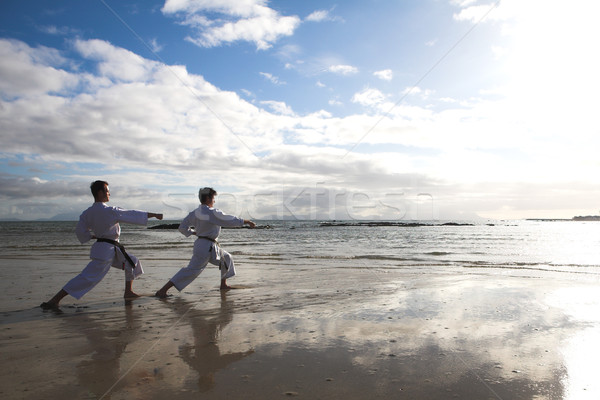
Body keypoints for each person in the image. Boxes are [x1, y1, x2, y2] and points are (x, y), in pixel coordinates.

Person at [40, 180, 163, 309]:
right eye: (107, 190)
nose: (109, 193)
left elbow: (80, 231)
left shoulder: (87, 213)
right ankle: (55, 300)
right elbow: (132, 214)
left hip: (108, 248)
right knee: (87, 277)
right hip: (105, 252)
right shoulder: (110, 211)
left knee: (131, 262)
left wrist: (92, 236)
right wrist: (154, 214)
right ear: (100, 192)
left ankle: (128, 292)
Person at [155, 187, 255, 298]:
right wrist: (247, 221)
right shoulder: (211, 212)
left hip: (206, 245)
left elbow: (182, 227)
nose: (214, 201)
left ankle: (223, 284)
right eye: (213, 198)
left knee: (227, 258)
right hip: (205, 246)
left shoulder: (194, 213)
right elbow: (229, 220)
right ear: (208, 198)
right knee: (192, 270)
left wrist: (193, 232)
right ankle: (162, 291)